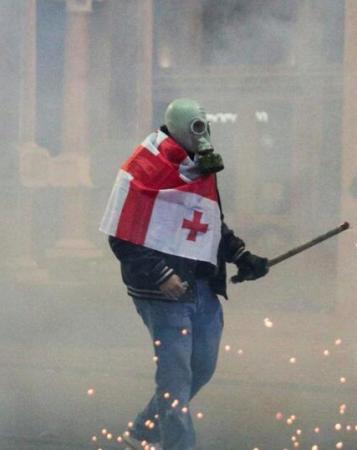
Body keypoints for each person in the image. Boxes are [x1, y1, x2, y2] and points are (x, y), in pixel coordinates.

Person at [99, 98, 269, 450]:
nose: (203, 134)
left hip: (202, 287)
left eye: (205, 126)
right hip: (163, 295)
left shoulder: (198, 169)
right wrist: (161, 274)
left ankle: (146, 429)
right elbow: (122, 235)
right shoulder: (143, 168)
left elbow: (208, 224)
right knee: (175, 377)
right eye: (196, 127)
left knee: (201, 367)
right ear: (176, 129)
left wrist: (241, 255)